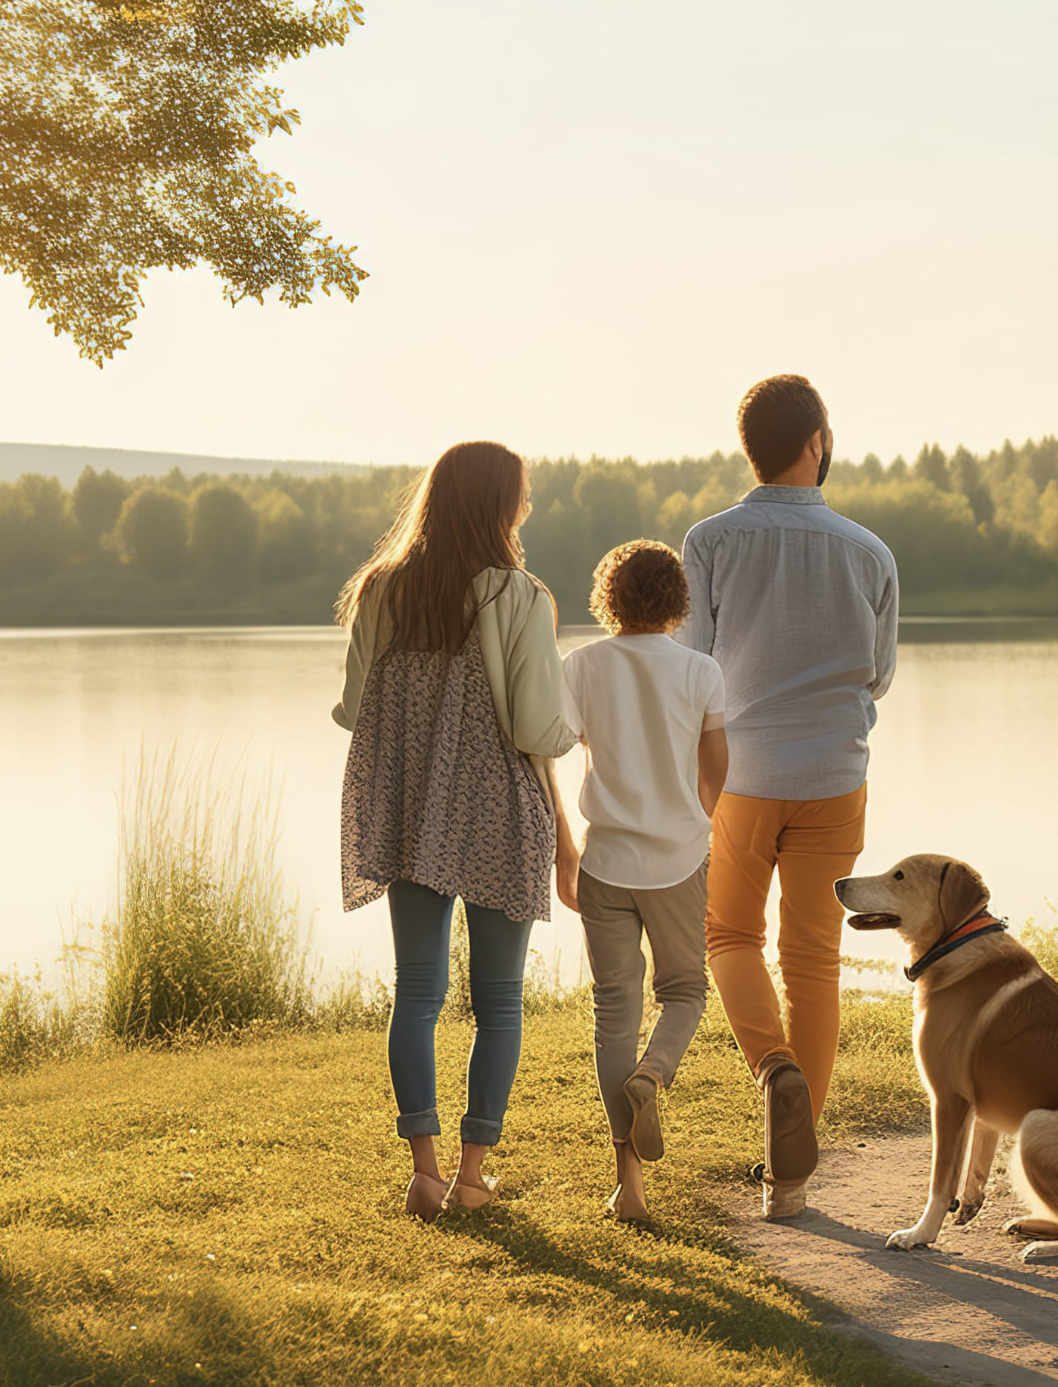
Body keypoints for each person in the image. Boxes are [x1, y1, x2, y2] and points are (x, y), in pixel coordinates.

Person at [332, 440, 578, 1222]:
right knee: (499, 1000)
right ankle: (474, 1177)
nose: (528, 507)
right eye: (522, 495)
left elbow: (353, 708)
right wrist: (574, 724)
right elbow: (540, 725)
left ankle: (424, 1173)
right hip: (499, 807)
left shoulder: (381, 589)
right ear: (499, 504)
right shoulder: (517, 594)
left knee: (419, 992)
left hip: (409, 808)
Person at [681, 374, 898, 1218]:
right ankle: (791, 1184)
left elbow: (696, 665)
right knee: (814, 961)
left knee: (730, 932)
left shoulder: (710, 541)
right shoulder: (870, 551)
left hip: (742, 775)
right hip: (836, 778)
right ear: (815, 442)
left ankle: (772, 1068)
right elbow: (879, 674)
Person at [554, 539, 728, 1221]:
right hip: (678, 863)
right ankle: (654, 1073)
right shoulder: (701, 671)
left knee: (612, 1016)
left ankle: (629, 1186)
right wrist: (692, 821)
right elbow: (718, 773)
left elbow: (561, 744)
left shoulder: (583, 666)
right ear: (678, 601)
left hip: (604, 864)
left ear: (610, 599)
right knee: (685, 992)